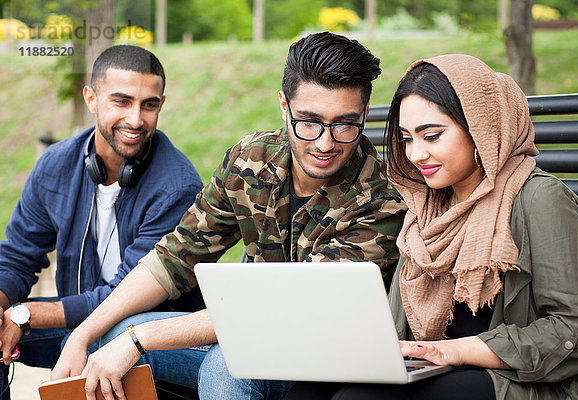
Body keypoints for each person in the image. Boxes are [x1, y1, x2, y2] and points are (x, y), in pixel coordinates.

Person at [51, 31, 406, 400]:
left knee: (226, 365)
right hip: (247, 334)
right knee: (110, 340)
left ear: (364, 113)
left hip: (331, 357)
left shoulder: (381, 200)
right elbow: (173, 259)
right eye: (309, 121)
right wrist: (83, 334)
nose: (325, 143)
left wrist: (140, 340)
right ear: (284, 106)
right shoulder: (250, 159)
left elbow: (288, 307)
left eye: (344, 124)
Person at [284, 54, 578, 400]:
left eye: (431, 136)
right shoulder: (427, 206)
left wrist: (459, 351)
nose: (416, 154)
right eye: (407, 139)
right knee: (307, 391)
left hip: (517, 382)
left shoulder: (541, 200)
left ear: (480, 127)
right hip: (432, 367)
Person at [0, 45, 204, 398]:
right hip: (78, 323)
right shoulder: (55, 166)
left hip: (140, 328)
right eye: (121, 102)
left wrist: (25, 315)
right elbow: (18, 256)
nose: (136, 120)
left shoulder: (177, 187)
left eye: (149, 105)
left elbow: (121, 296)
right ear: (91, 98)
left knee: (113, 338)